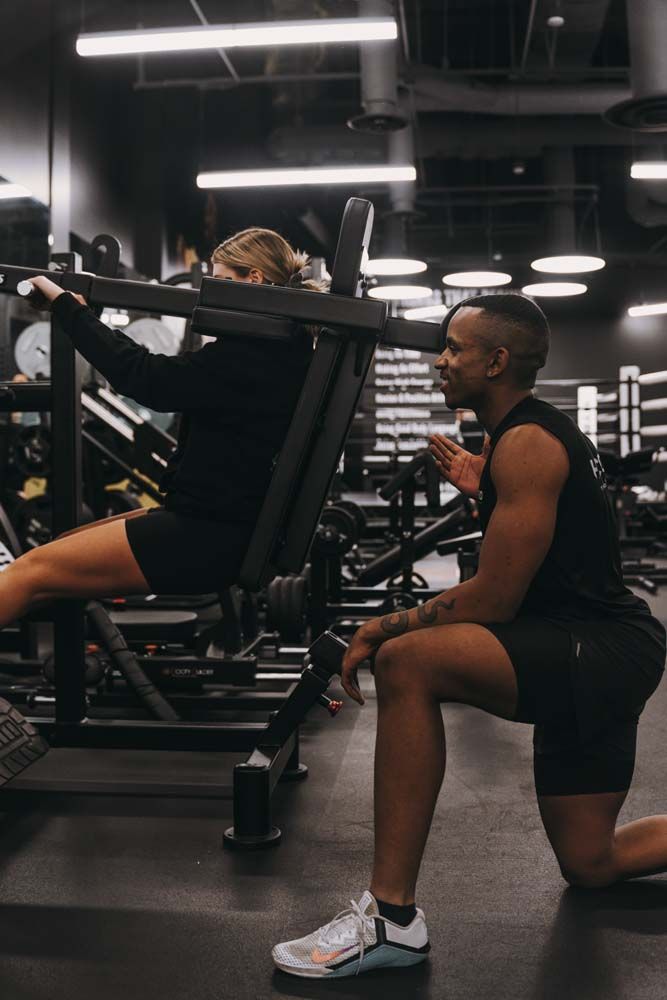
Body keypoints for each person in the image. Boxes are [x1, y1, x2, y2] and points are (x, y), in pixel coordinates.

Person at [272, 292, 666, 979]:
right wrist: (486, 493)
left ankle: (391, 920)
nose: (440, 360)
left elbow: (493, 597)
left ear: (497, 360)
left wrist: (377, 626)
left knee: (406, 662)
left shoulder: (529, 442)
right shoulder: (521, 438)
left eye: (454, 348)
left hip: (595, 648)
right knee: (591, 864)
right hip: (601, 644)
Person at [0, 228, 322, 627]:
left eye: (220, 279)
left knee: (27, 572)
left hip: (207, 537)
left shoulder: (251, 358)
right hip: (217, 527)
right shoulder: (286, 352)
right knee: (59, 554)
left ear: (252, 280)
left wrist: (69, 309)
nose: (210, 295)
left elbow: (143, 378)